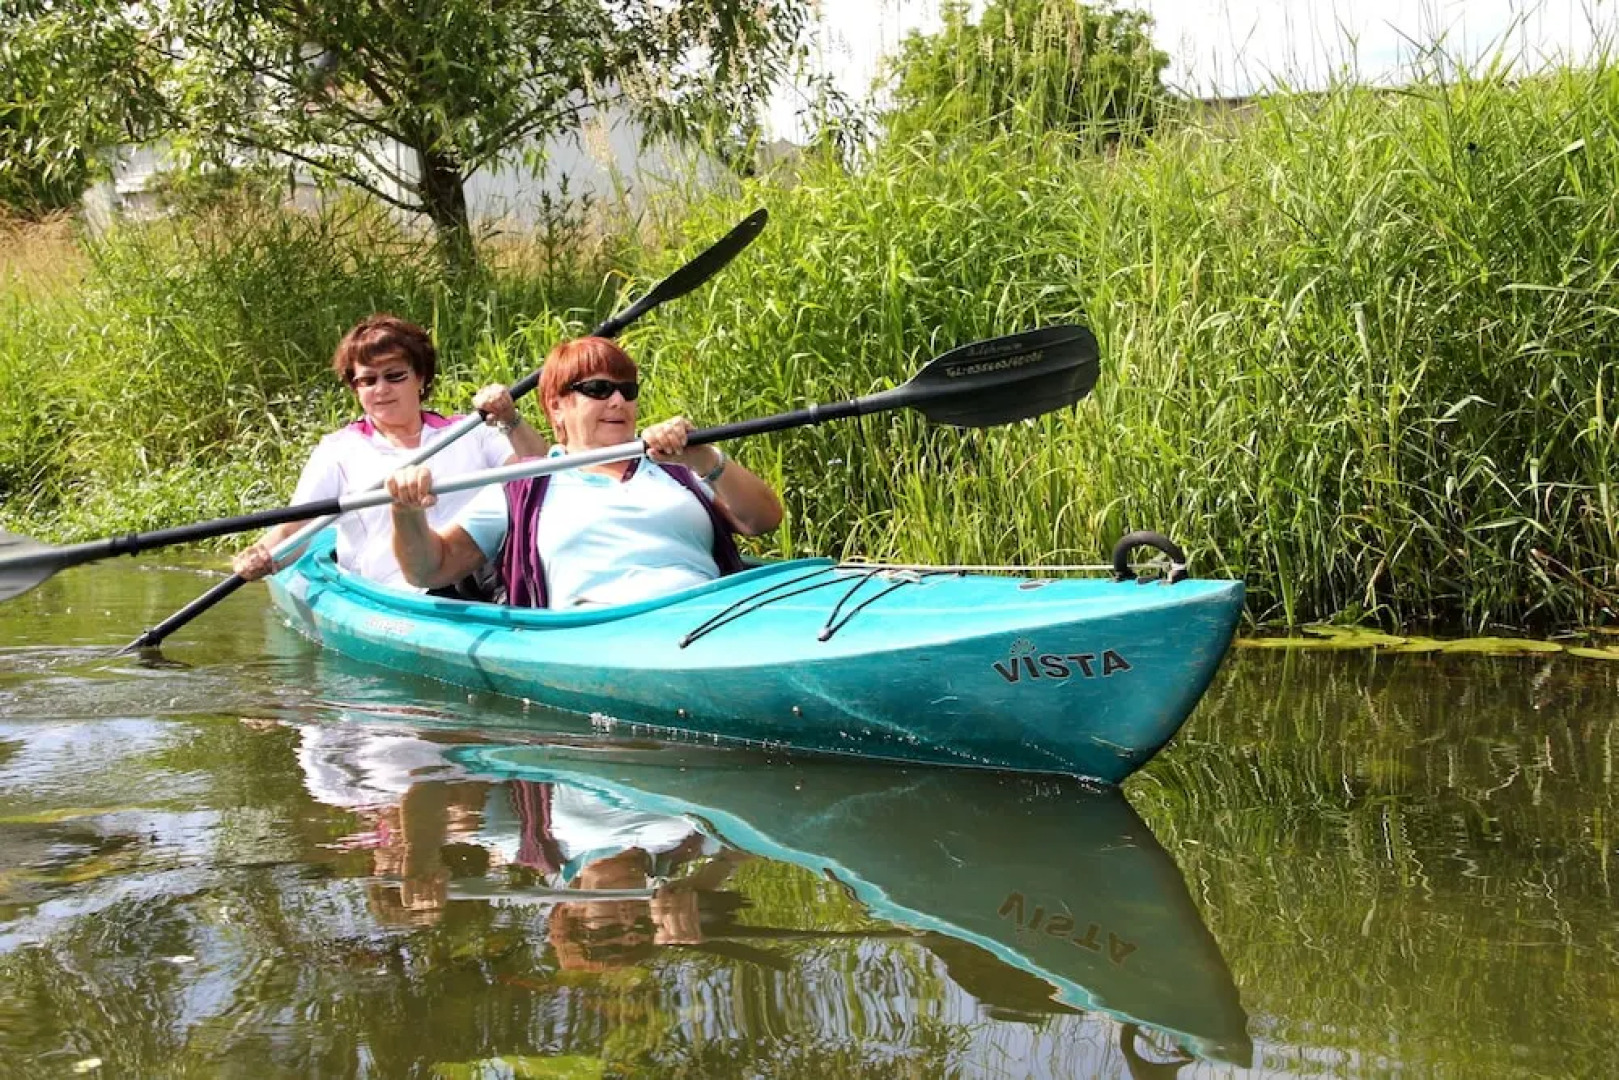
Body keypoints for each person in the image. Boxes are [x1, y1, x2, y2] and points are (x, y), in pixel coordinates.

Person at [385, 336, 782, 607]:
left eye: (628, 391)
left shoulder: (678, 468)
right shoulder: (524, 486)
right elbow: (428, 569)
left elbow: (764, 520)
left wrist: (703, 457)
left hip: (708, 613)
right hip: (598, 628)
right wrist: (406, 511)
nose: (617, 401)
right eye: (597, 390)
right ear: (557, 406)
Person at [231, 314, 546, 589]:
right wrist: (262, 555)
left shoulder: (470, 432)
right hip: (392, 593)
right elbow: (295, 528)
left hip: (478, 583)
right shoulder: (339, 451)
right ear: (355, 389)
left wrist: (510, 418)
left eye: (394, 376)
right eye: (367, 380)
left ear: (420, 378)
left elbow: (542, 474)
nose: (381, 389)